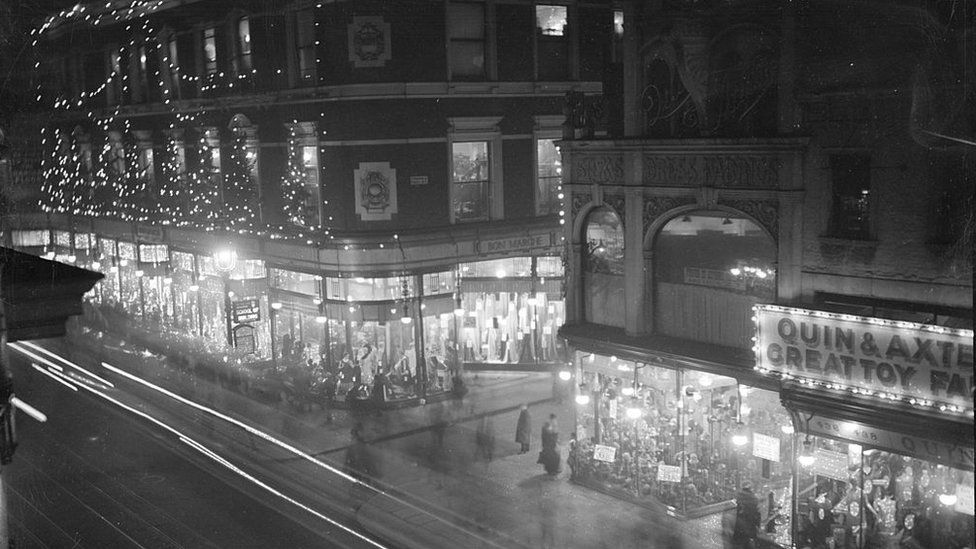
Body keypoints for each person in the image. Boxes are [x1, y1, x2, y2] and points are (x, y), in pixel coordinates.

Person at [732, 481, 761, 549]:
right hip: (750, 526)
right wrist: (758, 525)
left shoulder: (738, 497)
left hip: (740, 527)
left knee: (740, 543)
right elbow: (757, 514)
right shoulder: (754, 498)